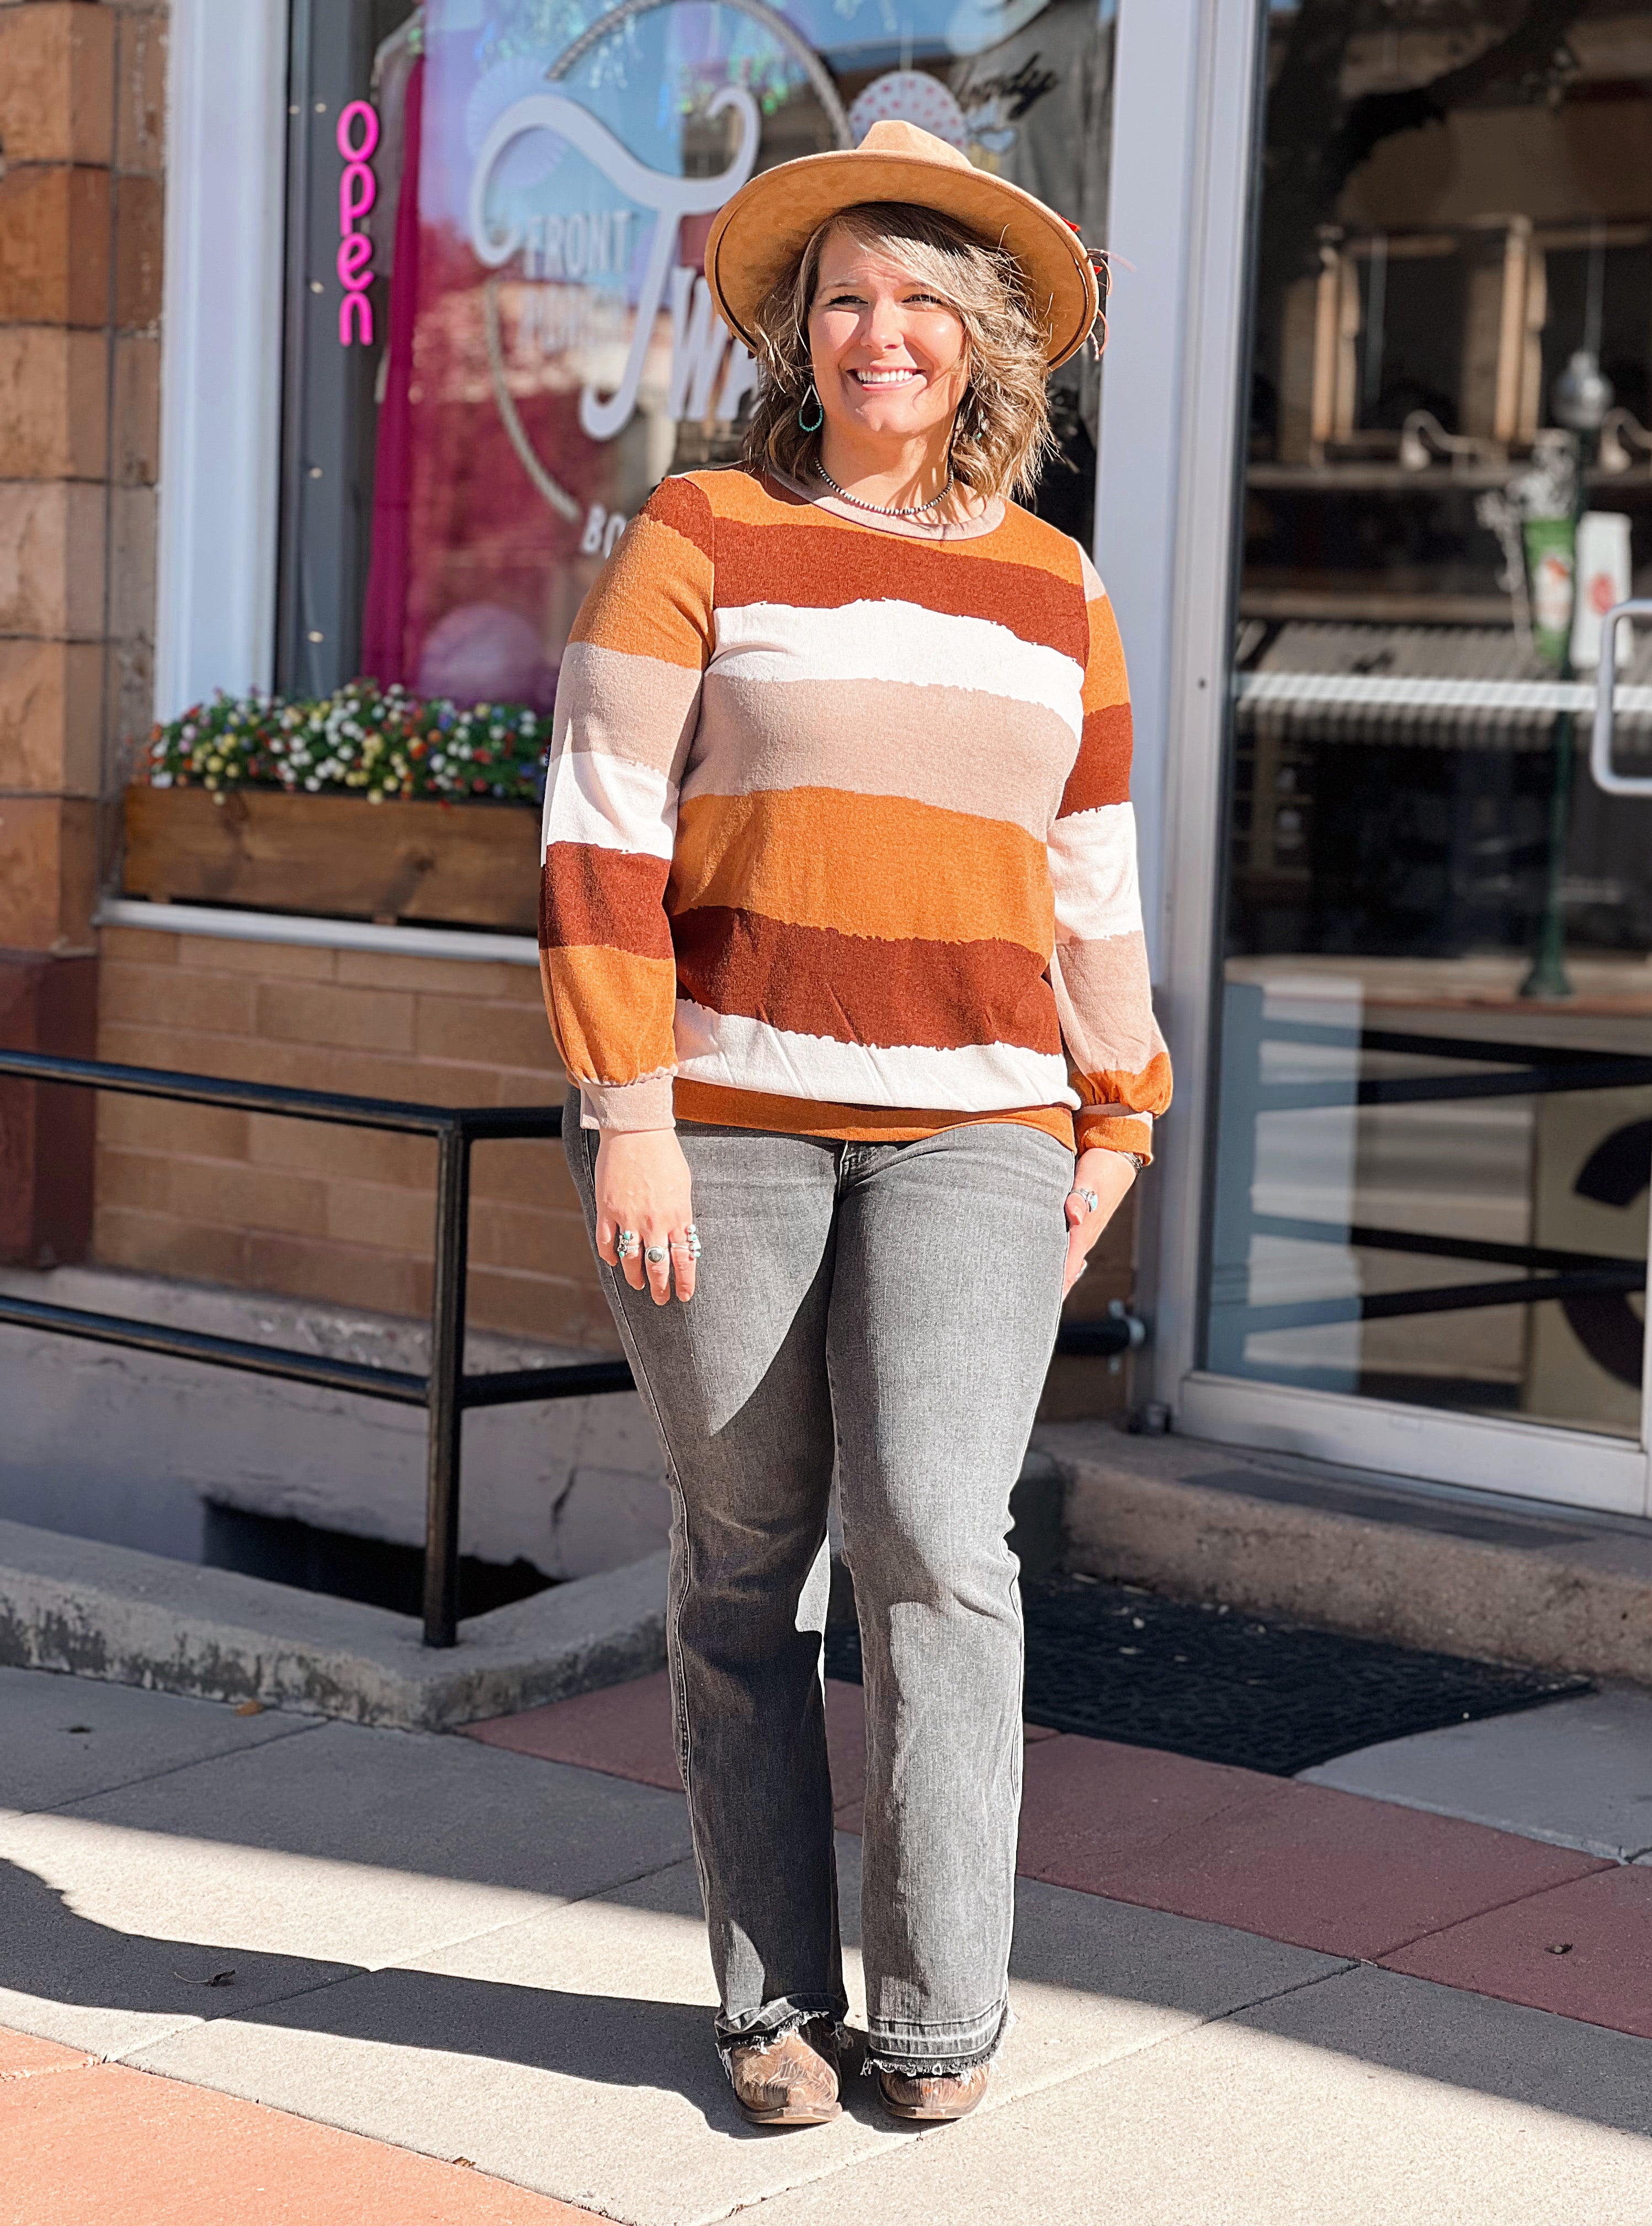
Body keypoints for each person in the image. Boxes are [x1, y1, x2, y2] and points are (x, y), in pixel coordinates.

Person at [539, 118, 1170, 2128]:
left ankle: (943, 2009)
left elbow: (1092, 880)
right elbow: (597, 844)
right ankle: (768, 2002)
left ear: (988, 344)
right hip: (716, 1117)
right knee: (745, 1563)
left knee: (937, 1548)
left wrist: (1121, 1113)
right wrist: (626, 1112)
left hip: (981, 1128)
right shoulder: (700, 531)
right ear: (801, 338)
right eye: (845, 300)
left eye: (921, 300)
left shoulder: (1057, 589)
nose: (879, 332)